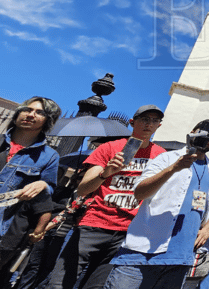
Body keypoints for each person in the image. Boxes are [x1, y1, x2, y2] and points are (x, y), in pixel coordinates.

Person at [45, 105, 168, 289]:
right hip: (94, 225)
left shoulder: (162, 156)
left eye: (154, 120)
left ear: (159, 126)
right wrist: (106, 172)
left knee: (97, 286)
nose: (149, 124)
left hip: (128, 232)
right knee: (58, 284)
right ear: (132, 122)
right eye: (144, 119)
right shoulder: (110, 147)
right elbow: (83, 189)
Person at [103, 119, 209, 289]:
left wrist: (207, 228)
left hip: (180, 259)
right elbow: (139, 192)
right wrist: (173, 169)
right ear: (193, 131)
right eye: (205, 132)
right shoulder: (167, 158)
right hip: (142, 252)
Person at [0, 97, 61, 277]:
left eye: (39, 112)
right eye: (27, 109)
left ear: (48, 120)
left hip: (6, 227)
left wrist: (43, 183)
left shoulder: (49, 156)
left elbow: (48, 190)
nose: (30, 114)